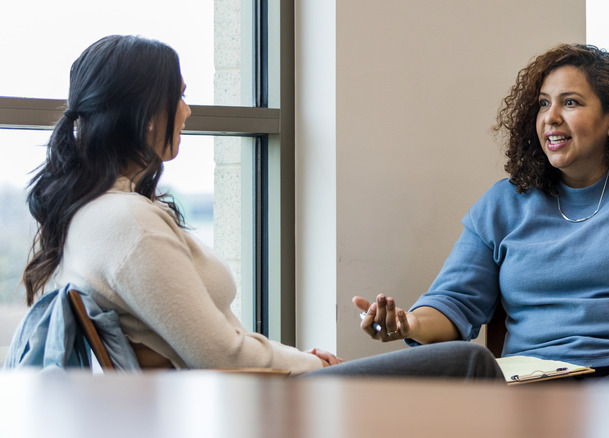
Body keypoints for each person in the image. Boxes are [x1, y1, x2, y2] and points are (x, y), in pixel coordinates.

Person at [21, 34, 503, 380]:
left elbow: (220, 343)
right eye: (180, 97)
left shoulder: (97, 214)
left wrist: (299, 356)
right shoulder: (128, 225)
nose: (187, 111)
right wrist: (311, 365)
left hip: (253, 390)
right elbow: (222, 356)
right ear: (146, 116)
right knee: (471, 362)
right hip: (253, 404)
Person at [353, 43, 609, 379]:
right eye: (544, 104)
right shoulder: (504, 203)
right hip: (535, 381)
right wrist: (409, 324)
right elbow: (454, 302)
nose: (551, 117)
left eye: (570, 102)